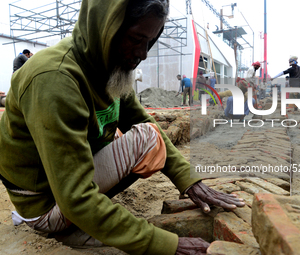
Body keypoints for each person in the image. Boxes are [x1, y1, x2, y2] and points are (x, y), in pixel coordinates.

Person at [0, 0, 245, 254]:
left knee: (134, 133)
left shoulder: (107, 65)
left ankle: (89, 219)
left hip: (61, 188)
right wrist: (161, 243)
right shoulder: (56, 79)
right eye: (136, 38)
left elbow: (143, 120)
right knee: (144, 138)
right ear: (106, 27)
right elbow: (76, 197)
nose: (143, 53)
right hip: (44, 206)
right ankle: (70, 228)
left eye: (149, 42)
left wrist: (189, 181)